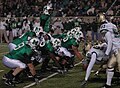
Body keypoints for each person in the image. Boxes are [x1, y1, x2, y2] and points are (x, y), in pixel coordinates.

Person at [96, 13, 120, 88]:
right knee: (110, 66)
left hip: (118, 49)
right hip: (116, 49)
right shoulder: (112, 25)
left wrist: (106, 54)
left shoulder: (104, 27)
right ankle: (108, 85)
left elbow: (109, 41)